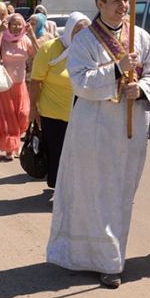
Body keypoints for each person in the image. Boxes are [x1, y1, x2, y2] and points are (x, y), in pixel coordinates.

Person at [46, 0, 150, 288]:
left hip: (129, 129)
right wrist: (115, 69)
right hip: (93, 130)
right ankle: (105, 260)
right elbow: (80, 83)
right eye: (116, 1)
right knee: (94, 193)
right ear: (100, 4)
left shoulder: (140, 36)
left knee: (120, 193)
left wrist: (141, 90)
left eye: (126, 0)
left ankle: (111, 254)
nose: (124, 6)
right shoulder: (84, 41)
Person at [29, 11, 90, 191]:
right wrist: (33, 108)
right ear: (69, 29)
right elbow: (35, 81)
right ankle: (59, 191)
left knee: (78, 156)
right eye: (78, 30)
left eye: (86, 31)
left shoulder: (88, 52)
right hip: (53, 114)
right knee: (58, 154)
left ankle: (73, 190)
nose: (82, 35)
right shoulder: (49, 49)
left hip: (81, 114)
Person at [0, 13, 38, 161]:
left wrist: (32, 35)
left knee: (23, 114)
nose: (17, 27)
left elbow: (38, 54)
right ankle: (10, 149)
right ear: (9, 25)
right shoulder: (2, 39)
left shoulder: (25, 40)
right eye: (14, 24)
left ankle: (15, 141)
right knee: (8, 118)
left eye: (19, 24)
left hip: (20, 84)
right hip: (3, 86)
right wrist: (0, 32)